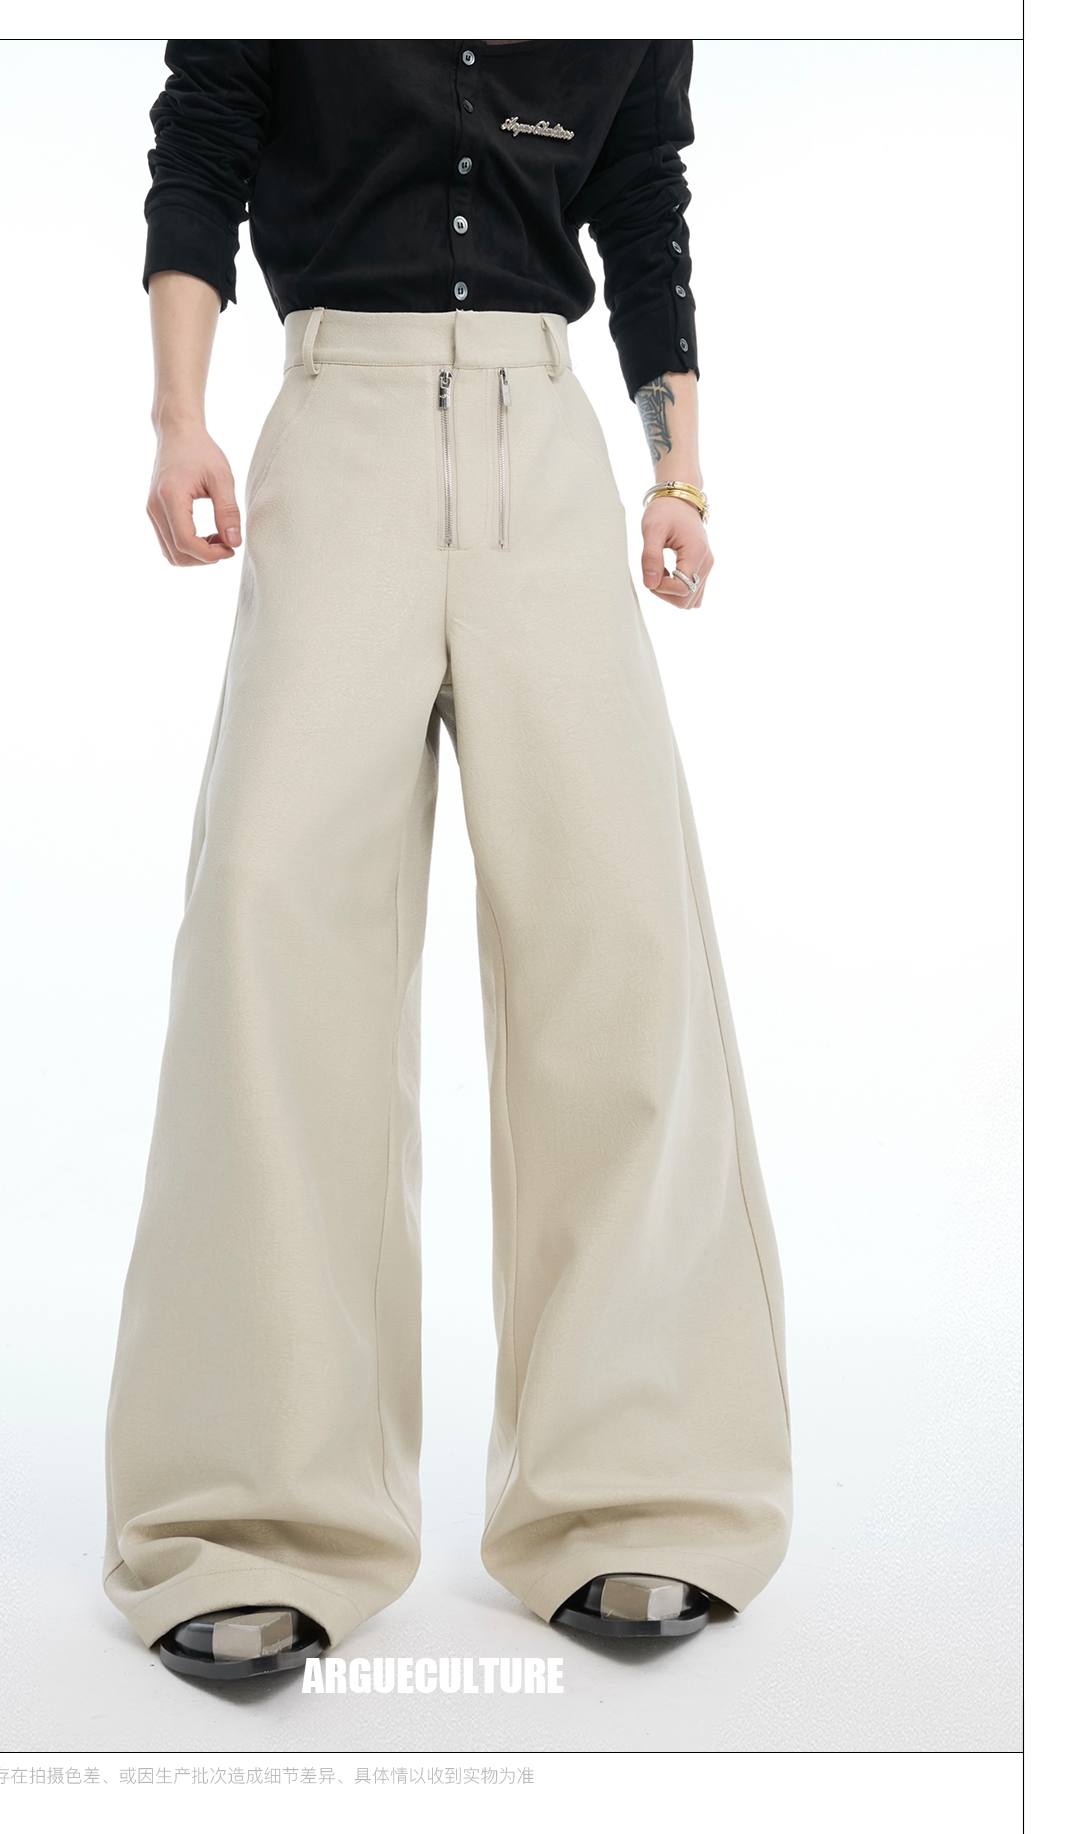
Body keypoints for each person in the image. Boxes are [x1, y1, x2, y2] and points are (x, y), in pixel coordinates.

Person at [102, 39, 792, 1683]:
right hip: (335, 417)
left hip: (546, 435)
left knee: (618, 933)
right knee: (272, 925)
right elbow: (205, 132)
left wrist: (677, 469)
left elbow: (643, 195)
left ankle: (637, 1491)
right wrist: (181, 418)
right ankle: (251, 1514)